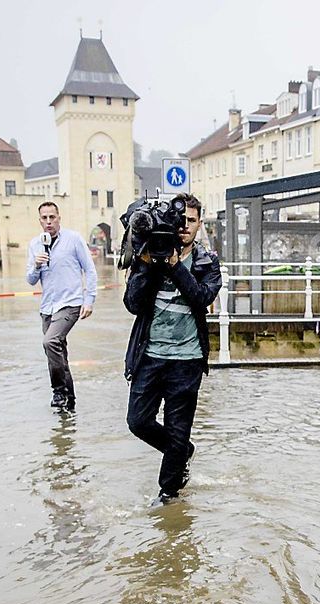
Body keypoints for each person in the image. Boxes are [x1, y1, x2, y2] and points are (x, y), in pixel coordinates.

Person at [124, 194, 222, 504]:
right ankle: (182, 451)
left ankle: (168, 494)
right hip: (149, 355)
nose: (184, 227)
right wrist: (146, 264)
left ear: (199, 225)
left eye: (191, 221)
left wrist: (176, 265)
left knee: (178, 429)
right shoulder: (151, 254)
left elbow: (201, 298)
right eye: (179, 221)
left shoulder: (207, 261)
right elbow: (133, 304)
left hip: (187, 360)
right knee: (138, 421)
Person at [26, 201, 98, 411]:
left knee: (50, 342)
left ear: (59, 218)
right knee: (58, 354)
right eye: (44, 218)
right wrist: (36, 265)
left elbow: (90, 270)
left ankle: (58, 391)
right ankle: (70, 404)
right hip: (47, 307)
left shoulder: (73, 239)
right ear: (39, 220)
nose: (48, 222)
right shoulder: (35, 244)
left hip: (71, 303)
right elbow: (30, 280)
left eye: (52, 217)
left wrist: (89, 299)